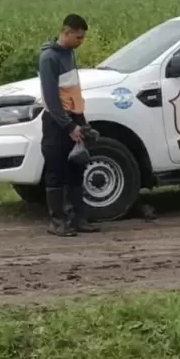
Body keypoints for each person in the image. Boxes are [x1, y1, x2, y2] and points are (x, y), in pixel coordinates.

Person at [38, 13, 100, 236]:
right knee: (56, 170)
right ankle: (57, 222)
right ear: (66, 32)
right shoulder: (49, 58)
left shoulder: (70, 54)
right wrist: (68, 126)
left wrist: (82, 122)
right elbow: (52, 99)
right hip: (57, 122)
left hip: (73, 118)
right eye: (79, 37)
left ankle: (77, 218)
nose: (81, 42)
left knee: (76, 168)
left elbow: (72, 91)